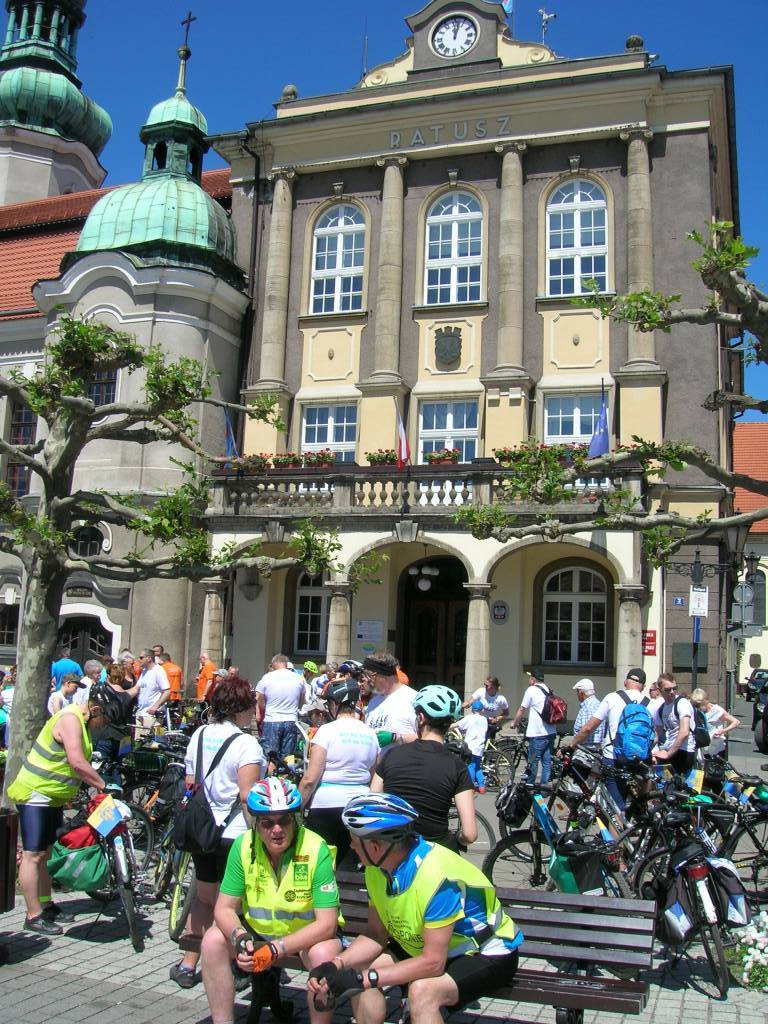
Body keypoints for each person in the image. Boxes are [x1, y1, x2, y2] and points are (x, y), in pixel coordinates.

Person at [308, 793, 522, 1024]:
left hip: (487, 951)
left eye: (354, 840)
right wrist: (335, 964)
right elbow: (375, 934)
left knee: (423, 992)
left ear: (376, 846)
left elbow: (433, 963)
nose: (350, 846)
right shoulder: (376, 868)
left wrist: (365, 979)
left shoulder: (435, 877)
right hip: (429, 946)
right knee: (358, 968)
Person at [200, 778, 341, 1024]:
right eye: (267, 823)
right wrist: (240, 937)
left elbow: (327, 924)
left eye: (284, 820)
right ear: (256, 824)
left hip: (307, 936)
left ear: (295, 820)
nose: (277, 829)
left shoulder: (315, 848)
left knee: (323, 955)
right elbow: (224, 908)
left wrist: (276, 948)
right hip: (259, 932)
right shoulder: (243, 846)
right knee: (212, 940)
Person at [171, 676, 265, 988]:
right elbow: (247, 796)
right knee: (230, 905)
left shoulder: (199, 734)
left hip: (201, 828)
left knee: (204, 897)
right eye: (249, 706)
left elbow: (190, 782)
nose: (252, 712)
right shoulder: (246, 743)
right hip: (233, 831)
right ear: (239, 708)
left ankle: (188, 964)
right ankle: (234, 964)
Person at [7, 696, 108, 934]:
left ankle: (46, 905)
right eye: (104, 720)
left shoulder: (81, 721)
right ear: (95, 709)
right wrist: (103, 785)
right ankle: (33, 915)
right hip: (35, 793)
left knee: (46, 853)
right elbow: (77, 762)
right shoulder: (71, 719)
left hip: (52, 796)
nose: (102, 726)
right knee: (33, 854)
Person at [372, 685, 477, 851]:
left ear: (420, 718)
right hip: (435, 853)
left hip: (394, 852)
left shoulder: (391, 756)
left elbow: (373, 804)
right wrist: (457, 839)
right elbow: (469, 834)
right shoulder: (457, 766)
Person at [299, 678, 379, 862]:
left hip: (326, 804)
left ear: (335, 703)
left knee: (320, 862)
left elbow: (310, 779)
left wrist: (297, 808)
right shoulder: (370, 733)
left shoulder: (326, 731)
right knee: (351, 864)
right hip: (359, 803)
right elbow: (375, 775)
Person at [567, 668, 651, 810]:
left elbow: (589, 728)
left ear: (625, 682)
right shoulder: (650, 703)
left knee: (615, 807)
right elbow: (655, 736)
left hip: (614, 757)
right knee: (640, 802)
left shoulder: (612, 698)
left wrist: (571, 745)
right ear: (643, 686)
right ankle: (642, 814)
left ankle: (618, 821)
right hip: (640, 759)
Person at [90, 663, 140, 776]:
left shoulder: (100, 691)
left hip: (105, 736)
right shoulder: (128, 695)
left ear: (108, 676)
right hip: (124, 738)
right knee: (118, 768)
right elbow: (136, 688)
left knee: (102, 770)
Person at [511, 668, 557, 784]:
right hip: (551, 732)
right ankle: (544, 788)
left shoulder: (531, 690)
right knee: (546, 763)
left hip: (537, 734)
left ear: (533, 679)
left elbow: (522, 709)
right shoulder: (548, 689)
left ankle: (530, 786)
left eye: (529, 677)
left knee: (533, 762)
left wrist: (514, 723)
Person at [256, 653, 306, 759]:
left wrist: (264, 708)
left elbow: (259, 697)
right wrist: (295, 708)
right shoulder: (298, 678)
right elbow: (302, 699)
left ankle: (271, 769)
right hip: (291, 720)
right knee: (288, 758)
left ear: (274, 663)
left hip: (272, 719)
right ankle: (287, 770)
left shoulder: (267, 677)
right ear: (286, 664)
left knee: (270, 756)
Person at [362, 652, 418, 746]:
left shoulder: (413, 699)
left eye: (369, 676)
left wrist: (395, 738)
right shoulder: (373, 701)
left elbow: (428, 739)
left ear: (384, 674)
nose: (366, 680)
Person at [654, 672, 697, 774]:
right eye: (668, 689)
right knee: (658, 777)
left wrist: (668, 754)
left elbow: (684, 732)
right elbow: (656, 734)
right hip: (670, 749)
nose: (672, 692)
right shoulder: (661, 709)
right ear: (659, 690)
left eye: (674, 688)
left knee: (672, 782)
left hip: (684, 751)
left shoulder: (682, 703)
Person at [690, 687, 740, 757]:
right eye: (695, 705)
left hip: (716, 749)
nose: (697, 707)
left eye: (699, 705)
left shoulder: (717, 710)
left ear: (706, 701)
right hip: (700, 748)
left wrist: (722, 731)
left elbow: (736, 722)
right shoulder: (696, 711)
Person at [454, 700, 488, 792]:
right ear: (482, 710)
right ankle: (481, 786)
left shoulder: (469, 718)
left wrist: (446, 727)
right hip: (480, 747)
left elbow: (457, 725)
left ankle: (471, 786)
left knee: (471, 766)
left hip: (470, 747)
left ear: (472, 709)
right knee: (477, 767)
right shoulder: (484, 719)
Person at [462, 676, 509, 741]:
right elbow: (470, 701)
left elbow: (506, 713)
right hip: (479, 722)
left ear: (493, 687)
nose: (485, 686)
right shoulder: (481, 691)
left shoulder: (501, 699)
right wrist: (466, 704)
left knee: (487, 743)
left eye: (487, 685)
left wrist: (496, 719)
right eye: (484, 684)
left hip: (490, 723)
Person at [136, 647, 171, 723]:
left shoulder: (158, 671)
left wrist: (155, 706)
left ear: (149, 658)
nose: (138, 660)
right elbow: (136, 689)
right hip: (141, 713)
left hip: (151, 715)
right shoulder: (144, 671)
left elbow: (167, 691)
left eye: (141, 658)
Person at [571, 679, 605, 752]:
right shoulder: (597, 703)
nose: (577, 695)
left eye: (577, 692)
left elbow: (586, 729)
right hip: (594, 747)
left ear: (581, 693)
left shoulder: (588, 706)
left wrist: (571, 746)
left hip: (586, 748)